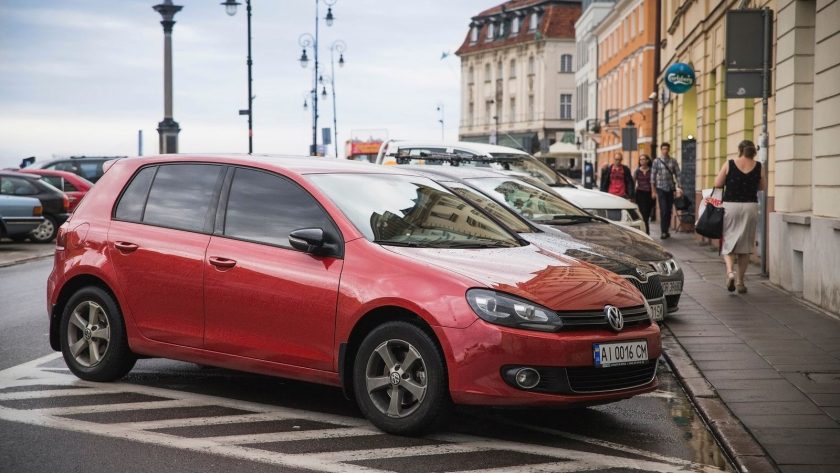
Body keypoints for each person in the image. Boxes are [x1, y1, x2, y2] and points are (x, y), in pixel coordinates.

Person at [714, 140, 765, 294]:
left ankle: (730, 272)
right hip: (750, 206)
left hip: (731, 206)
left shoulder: (730, 164)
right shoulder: (758, 166)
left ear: (740, 149)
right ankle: (740, 282)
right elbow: (762, 187)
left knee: (729, 240)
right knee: (745, 246)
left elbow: (718, 183)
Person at [651, 143, 683, 239]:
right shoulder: (656, 161)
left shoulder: (673, 161)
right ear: (661, 150)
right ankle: (663, 231)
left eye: (666, 149)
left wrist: (680, 187)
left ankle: (666, 230)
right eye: (663, 149)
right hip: (660, 188)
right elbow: (652, 177)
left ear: (669, 150)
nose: (665, 151)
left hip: (670, 188)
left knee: (669, 210)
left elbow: (678, 174)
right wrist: (653, 191)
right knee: (664, 209)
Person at [634, 154, 655, 234]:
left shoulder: (651, 171)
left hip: (649, 194)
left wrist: (654, 192)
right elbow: (633, 182)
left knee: (647, 214)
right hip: (640, 194)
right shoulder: (637, 171)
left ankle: (645, 231)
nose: (642, 161)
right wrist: (632, 195)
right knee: (642, 214)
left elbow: (653, 182)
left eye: (643, 159)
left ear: (647, 160)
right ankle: (646, 232)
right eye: (640, 159)